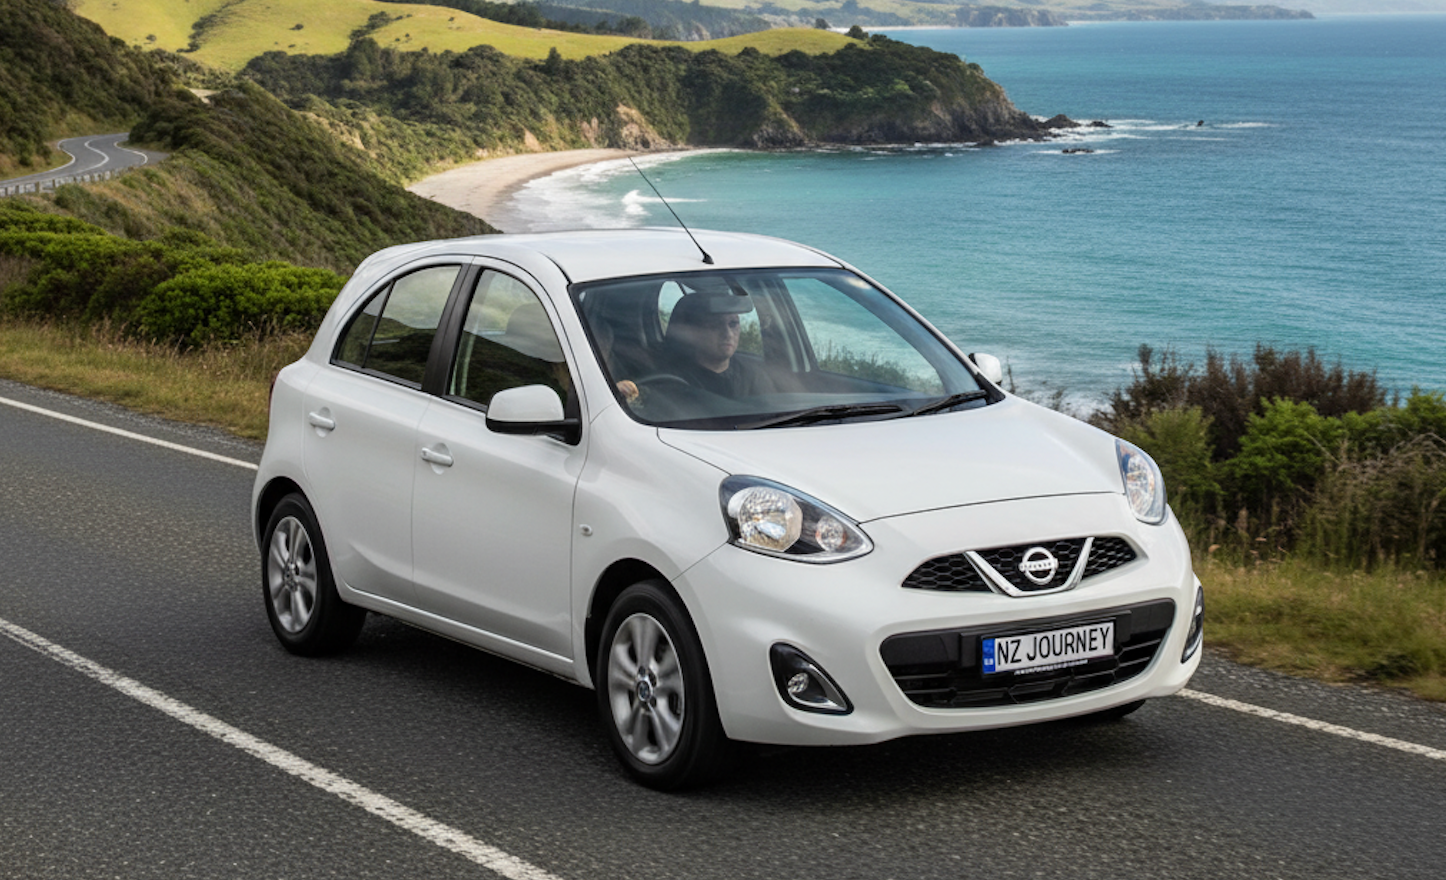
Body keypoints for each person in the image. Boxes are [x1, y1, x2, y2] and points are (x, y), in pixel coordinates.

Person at [662, 293, 775, 398]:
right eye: (715, 325)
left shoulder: (754, 376)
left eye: (733, 324)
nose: (728, 334)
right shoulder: (671, 381)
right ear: (695, 332)